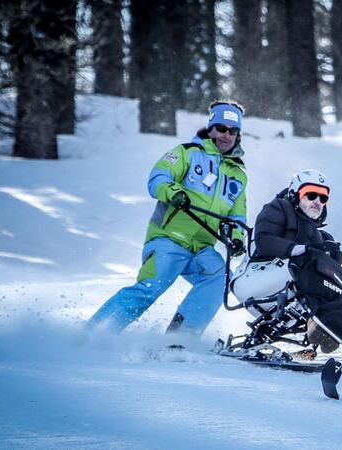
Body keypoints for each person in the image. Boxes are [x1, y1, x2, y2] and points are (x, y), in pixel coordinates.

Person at [88, 101, 248, 335]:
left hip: (202, 248)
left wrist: (236, 238)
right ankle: (94, 333)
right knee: (149, 289)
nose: (226, 135)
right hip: (168, 240)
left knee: (221, 278)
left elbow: (236, 215)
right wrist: (174, 193)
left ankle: (180, 336)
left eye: (232, 131)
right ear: (211, 129)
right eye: (222, 129)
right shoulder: (187, 153)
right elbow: (158, 178)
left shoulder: (238, 175)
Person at [231, 169, 342, 353]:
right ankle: (313, 320)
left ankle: (323, 328)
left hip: (285, 287)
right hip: (253, 280)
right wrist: (300, 250)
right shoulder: (277, 209)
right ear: (296, 194)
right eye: (311, 195)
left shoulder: (319, 235)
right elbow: (264, 240)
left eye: (322, 198)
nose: (317, 202)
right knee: (310, 261)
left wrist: (331, 256)